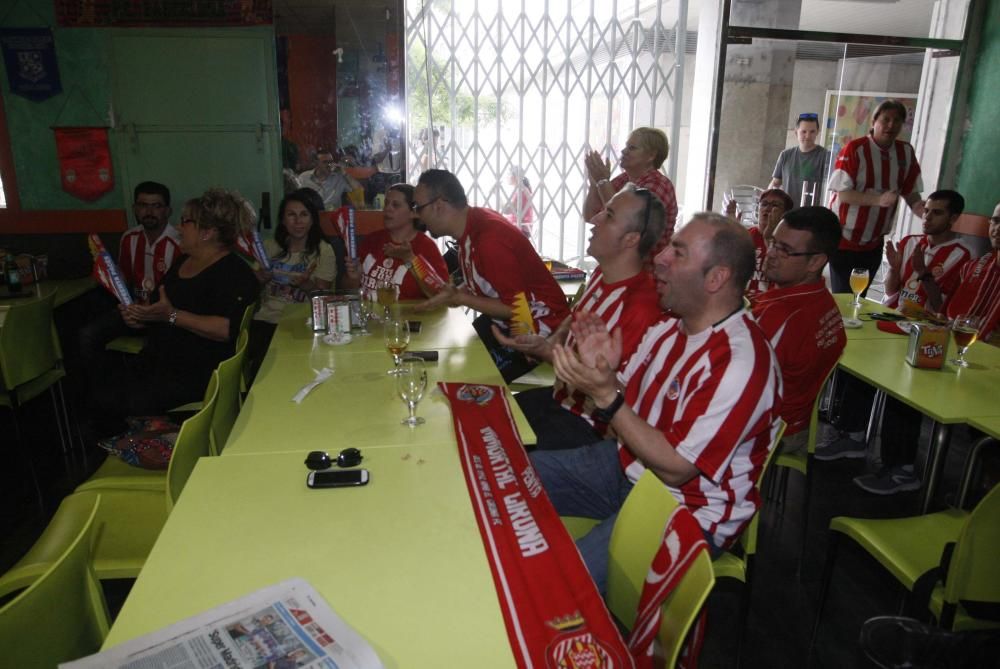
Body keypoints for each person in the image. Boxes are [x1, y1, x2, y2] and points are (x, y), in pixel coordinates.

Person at [530, 213, 782, 591]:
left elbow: (677, 469)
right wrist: (606, 373)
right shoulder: (668, 327)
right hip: (629, 466)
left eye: (677, 253)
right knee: (505, 481)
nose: (660, 257)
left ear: (716, 279)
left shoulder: (741, 363)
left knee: (560, 585)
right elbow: (626, 402)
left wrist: (605, 394)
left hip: (687, 509)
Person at [496, 184, 666, 450]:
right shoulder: (602, 274)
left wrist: (548, 353)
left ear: (631, 239)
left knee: (499, 451)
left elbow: (618, 390)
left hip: (589, 428)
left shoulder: (641, 307)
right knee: (486, 420)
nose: (595, 219)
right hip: (558, 400)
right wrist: (550, 343)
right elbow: (575, 317)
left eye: (608, 215)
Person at [89, 188, 259, 431]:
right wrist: (141, 316)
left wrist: (170, 316)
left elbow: (226, 328)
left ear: (207, 232)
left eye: (186, 222)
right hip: (162, 358)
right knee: (101, 390)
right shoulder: (183, 262)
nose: (179, 228)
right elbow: (161, 305)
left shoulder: (235, 273)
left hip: (196, 369)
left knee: (114, 402)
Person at [412, 169, 570, 338]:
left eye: (418, 208)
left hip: (543, 334)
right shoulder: (473, 226)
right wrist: (454, 294)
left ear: (439, 206)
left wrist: (460, 298)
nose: (415, 215)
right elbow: (486, 279)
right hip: (515, 327)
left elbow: (516, 307)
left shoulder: (488, 240)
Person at [750, 206, 846, 453]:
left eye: (785, 250)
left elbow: (734, 383)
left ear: (815, 261)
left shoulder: (784, 316)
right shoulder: (822, 300)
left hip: (772, 430)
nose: (771, 253)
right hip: (798, 418)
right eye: (773, 242)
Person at [79, 181, 182, 391]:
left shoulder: (180, 242)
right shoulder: (129, 238)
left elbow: (180, 296)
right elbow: (122, 283)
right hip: (133, 310)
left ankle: (145, 402)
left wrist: (149, 315)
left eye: (156, 206)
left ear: (168, 211)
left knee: (157, 348)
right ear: (135, 209)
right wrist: (127, 308)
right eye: (143, 205)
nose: (149, 211)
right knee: (87, 335)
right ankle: (103, 395)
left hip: (166, 316)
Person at [827, 99, 925, 294]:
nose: (891, 125)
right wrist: (877, 201)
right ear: (874, 121)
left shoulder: (906, 152)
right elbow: (843, 194)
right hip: (844, 239)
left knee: (859, 297)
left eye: (897, 120)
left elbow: (911, 193)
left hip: (874, 242)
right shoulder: (855, 149)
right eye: (886, 119)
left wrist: (926, 214)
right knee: (844, 297)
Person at [247, 191, 338, 377]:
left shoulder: (323, 250)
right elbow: (251, 286)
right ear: (283, 220)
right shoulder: (270, 246)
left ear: (312, 219)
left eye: (304, 215)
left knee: (301, 371)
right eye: (291, 215)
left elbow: (323, 295)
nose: (298, 221)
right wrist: (260, 278)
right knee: (262, 373)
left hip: (304, 322)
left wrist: (306, 284)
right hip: (267, 320)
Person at [583, 127, 679, 258]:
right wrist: (595, 184)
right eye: (626, 147)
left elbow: (627, 223)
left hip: (647, 271)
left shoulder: (658, 185)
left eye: (632, 148)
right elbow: (591, 216)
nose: (624, 151)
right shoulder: (624, 179)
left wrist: (603, 181)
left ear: (651, 155)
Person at [342, 184, 448, 300]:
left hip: (407, 317)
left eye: (396, 205)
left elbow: (441, 295)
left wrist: (411, 260)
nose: (388, 208)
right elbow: (348, 290)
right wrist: (353, 278)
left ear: (414, 213)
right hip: (367, 315)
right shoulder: (371, 240)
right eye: (386, 203)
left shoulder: (426, 247)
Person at [883, 189, 971, 315]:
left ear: (953, 218)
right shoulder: (909, 241)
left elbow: (941, 308)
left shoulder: (962, 255)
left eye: (937, 213)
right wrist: (894, 269)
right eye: (926, 211)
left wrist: (923, 272)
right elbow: (889, 291)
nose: (927, 217)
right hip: (891, 314)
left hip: (925, 327)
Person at [945, 201, 1000, 344]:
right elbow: (946, 315)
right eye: (995, 221)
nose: (998, 229)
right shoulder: (970, 268)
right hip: (959, 348)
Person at [734, 188, 794, 294]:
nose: (768, 208)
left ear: (786, 213)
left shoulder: (791, 242)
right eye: (764, 204)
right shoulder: (745, 235)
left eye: (775, 205)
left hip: (769, 303)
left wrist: (770, 240)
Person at [769, 112, 831, 207]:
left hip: (812, 214)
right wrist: (767, 201)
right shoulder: (785, 155)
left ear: (817, 132)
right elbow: (775, 183)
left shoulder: (826, 156)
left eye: (812, 132)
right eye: (804, 131)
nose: (808, 136)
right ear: (796, 132)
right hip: (787, 212)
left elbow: (830, 190)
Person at [297, 148, 362, 210]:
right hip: (312, 217)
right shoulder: (304, 177)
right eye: (325, 162)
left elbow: (358, 188)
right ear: (316, 163)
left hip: (333, 218)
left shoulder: (338, 178)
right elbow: (296, 199)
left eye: (331, 162)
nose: (329, 165)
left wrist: (344, 173)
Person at [501, 167, 536, 239]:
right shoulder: (521, 189)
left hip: (520, 229)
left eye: (508, 174)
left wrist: (498, 195)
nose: (507, 177)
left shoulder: (520, 191)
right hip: (518, 226)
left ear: (515, 177)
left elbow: (507, 210)